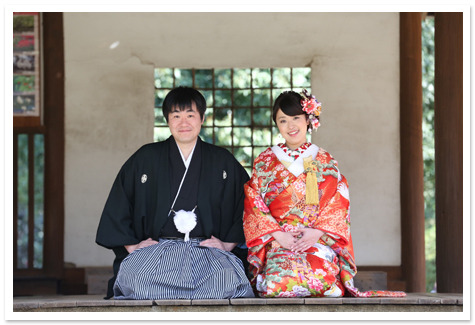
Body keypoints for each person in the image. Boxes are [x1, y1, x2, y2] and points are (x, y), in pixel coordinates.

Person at [243, 89, 406, 298]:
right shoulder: (265, 160)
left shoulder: (324, 159)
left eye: (296, 118)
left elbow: (338, 200)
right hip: (278, 240)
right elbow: (253, 200)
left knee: (323, 278)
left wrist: (317, 233)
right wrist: (278, 235)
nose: (291, 126)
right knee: (277, 280)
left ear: (308, 119)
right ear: (276, 124)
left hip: (316, 239)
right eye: (283, 120)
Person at [96, 86, 254, 300]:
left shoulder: (222, 160)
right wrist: (133, 247)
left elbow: (248, 207)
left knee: (227, 283)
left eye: (190, 115)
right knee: (135, 282)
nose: (184, 123)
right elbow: (120, 203)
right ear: (167, 120)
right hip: (157, 253)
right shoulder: (145, 158)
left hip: (207, 252)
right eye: (176, 116)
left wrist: (227, 245)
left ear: (202, 118)